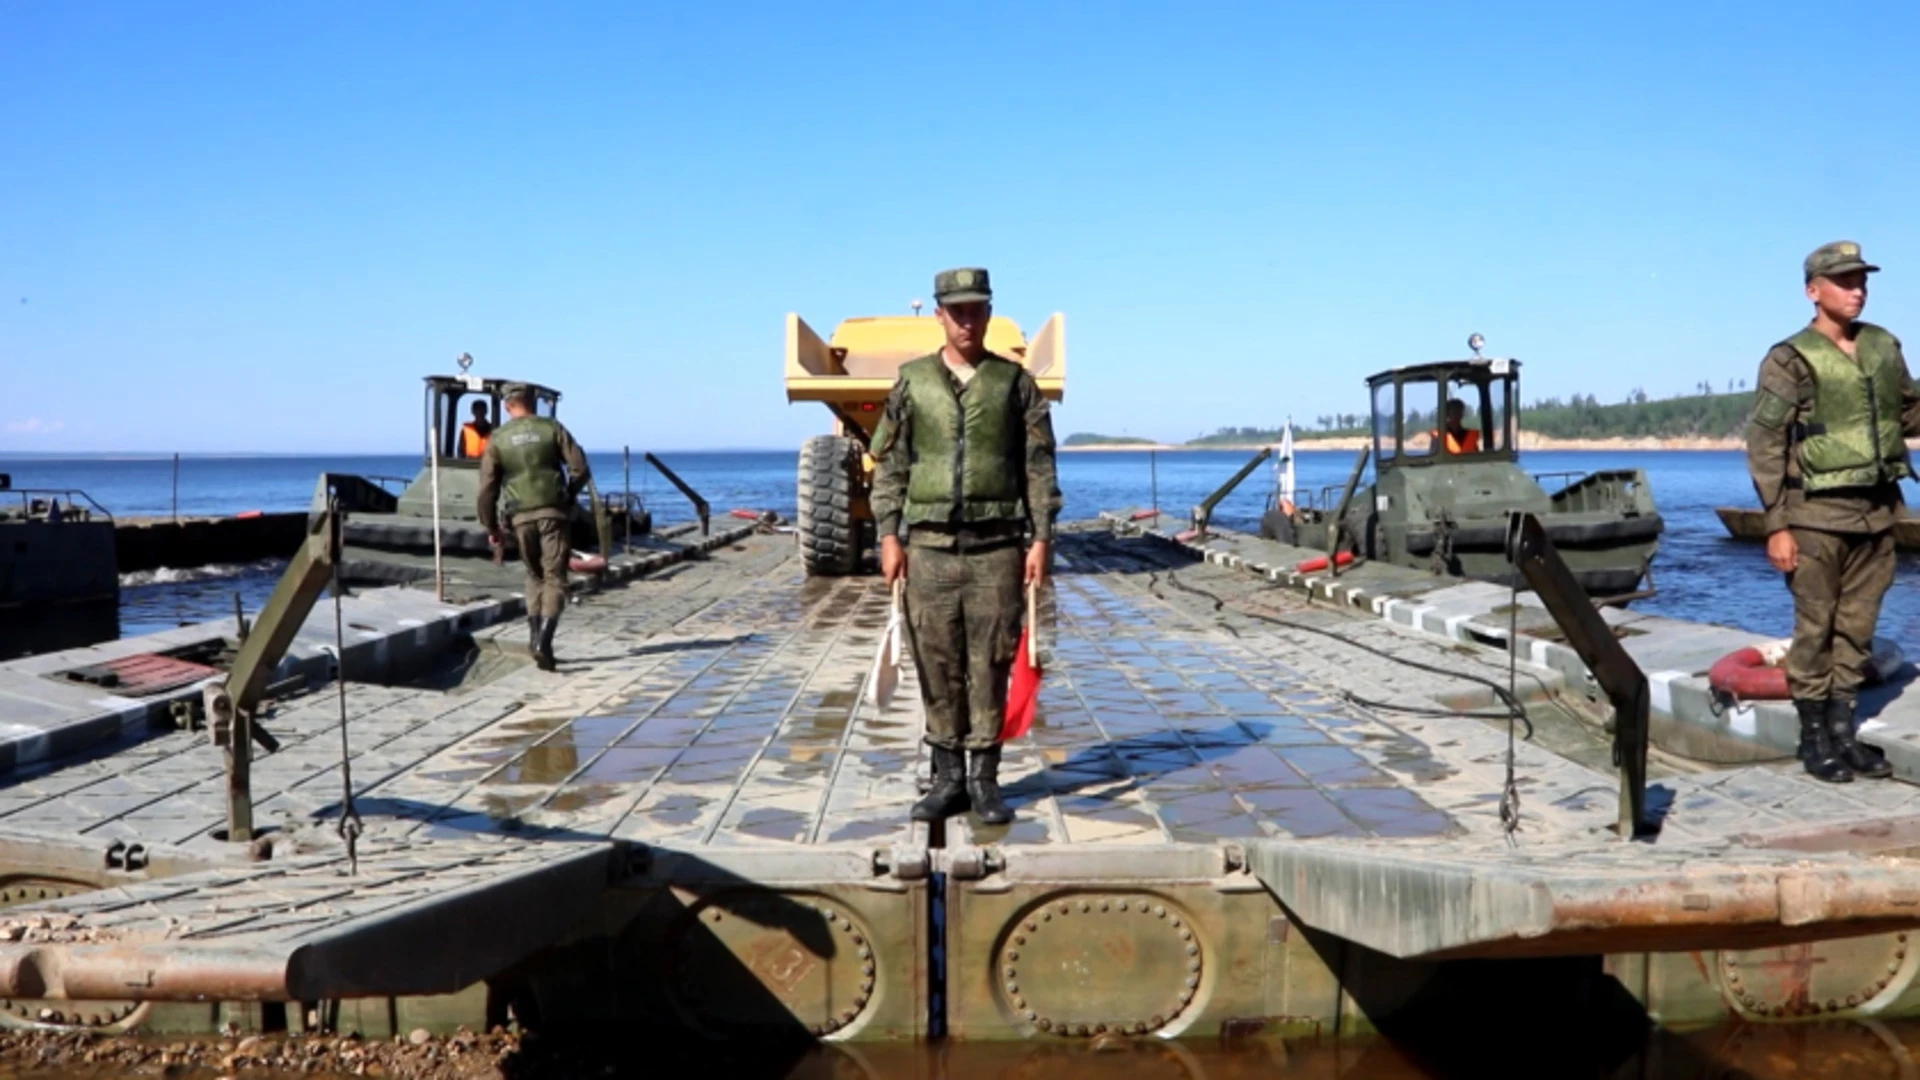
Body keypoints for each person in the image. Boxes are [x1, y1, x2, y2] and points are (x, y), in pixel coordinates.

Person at [871, 266, 1061, 826]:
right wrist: (888, 535)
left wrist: (1042, 538)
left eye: (977, 310)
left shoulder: (1015, 383)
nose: (968, 321)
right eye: (957, 312)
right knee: (936, 659)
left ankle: (985, 780)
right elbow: (892, 465)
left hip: (998, 547)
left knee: (992, 660)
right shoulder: (911, 382)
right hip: (928, 548)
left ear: (989, 312)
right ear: (939, 315)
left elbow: (1038, 466)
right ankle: (946, 777)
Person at [1746, 240, 1920, 783]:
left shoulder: (1883, 347)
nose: (1857, 289)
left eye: (1861, 280)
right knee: (1815, 626)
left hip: (1877, 513)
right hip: (1815, 517)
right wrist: (1777, 525)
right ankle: (1813, 738)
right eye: (1844, 281)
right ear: (1812, 291)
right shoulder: (1789, 358)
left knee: (1858, 627)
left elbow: (1910, 411)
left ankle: (1845, 732)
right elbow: (1766, 442)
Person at [476, 383, 591, 672]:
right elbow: (580, 468)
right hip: (553, 512)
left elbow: (487, 489)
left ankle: (534, 639)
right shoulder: (552, 427)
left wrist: (491, 527)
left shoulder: (498, 438)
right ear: (532, 401)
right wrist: (567, 495)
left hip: (519, 516)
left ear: (506, 406)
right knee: (555, 576)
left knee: (533, 575)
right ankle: (544, 643)